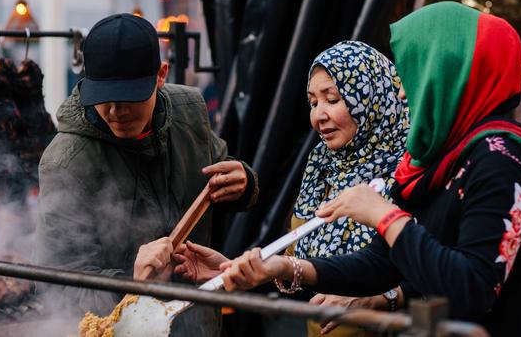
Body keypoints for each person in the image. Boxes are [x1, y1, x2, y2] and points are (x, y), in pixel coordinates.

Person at [215, 2, 521, 337]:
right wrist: (283, 267)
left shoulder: (499, 158)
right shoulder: (436, 157)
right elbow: (381, 263)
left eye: (412, 71)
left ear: (447, 71)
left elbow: (472, 287)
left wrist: (385, 217)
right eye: (313, 101)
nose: (403, 90)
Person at [33, 14, 259, 336]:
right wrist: (132, 282)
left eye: (128, 98)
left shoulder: (189, 111)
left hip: (197, 324)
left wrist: (244, 182)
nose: (115, 112)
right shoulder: (66, 162)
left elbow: (218, 172)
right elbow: (56, 284)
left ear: (161, 75)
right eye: (103, 99)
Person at [174, 41, 409, 336]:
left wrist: (382, 299)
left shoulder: (410, 169)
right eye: (313, 103)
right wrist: (241, 270)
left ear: (371, 96)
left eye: (332, 99)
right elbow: (308, 265)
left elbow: (449, 273)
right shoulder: (321, 168)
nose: (319, 116)